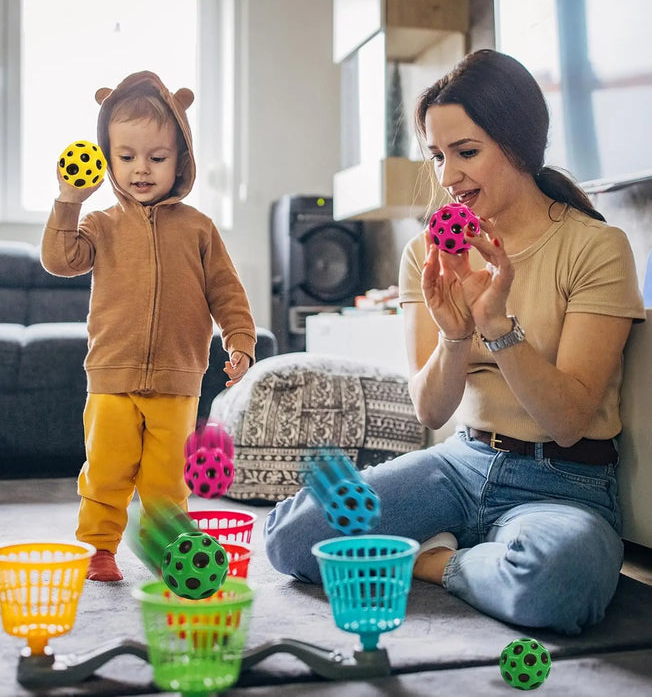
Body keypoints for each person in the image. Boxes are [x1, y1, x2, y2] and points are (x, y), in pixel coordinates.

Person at [264, 49, 645, 635]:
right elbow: (430, 408)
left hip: (565, 484)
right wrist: (455, 334)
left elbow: (568, 421)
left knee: (558, 582)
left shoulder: (597, 248)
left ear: (518, 143)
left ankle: (433, 559)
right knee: (293, 539)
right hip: (462, 462)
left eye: (466, 153)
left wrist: (497, 326)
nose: (447, 177)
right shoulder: (428, 253)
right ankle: (475, 552)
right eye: (438, 156)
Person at [41, 71, 256, 582]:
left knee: (166, 480)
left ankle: (168, 551)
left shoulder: (199, 228)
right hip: (112, 377)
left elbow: (227, 290)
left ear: (181, 160)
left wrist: (240, 340)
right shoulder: (98, 223)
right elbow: (59, 260)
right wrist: (69, 201)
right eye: (127, 157)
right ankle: (98, 547)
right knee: (107, 470)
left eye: (157, 158)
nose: (141, 169)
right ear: (107, 157)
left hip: (177, 380)